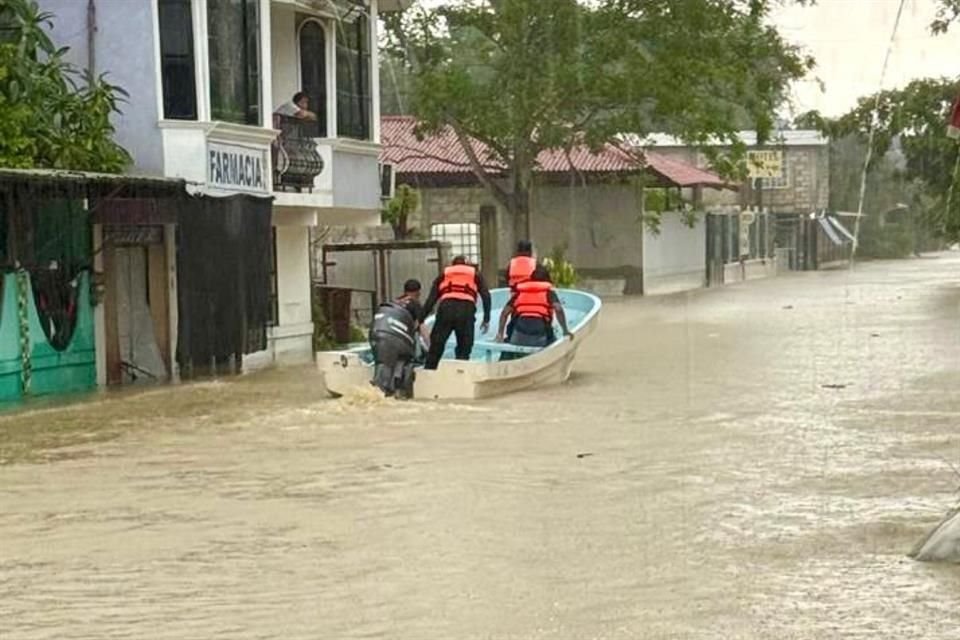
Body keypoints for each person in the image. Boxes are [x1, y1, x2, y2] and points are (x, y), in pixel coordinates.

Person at [420, 255, 492, 369]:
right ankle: (460, 374)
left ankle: (429, 373)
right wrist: (486, 319)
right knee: (464, 348)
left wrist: (420, 318)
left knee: (436, 346)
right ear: (467, 265)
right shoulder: (475, 274)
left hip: (446, 309)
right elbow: (486, 296)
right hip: (466, 310)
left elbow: (431, 300)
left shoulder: (445, 274)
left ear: (452, 265)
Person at [368, 279, 431, 398]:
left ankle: (381, 387)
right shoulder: (414, 303)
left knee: (384, 362)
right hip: (398, 341)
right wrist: (431, 347)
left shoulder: (394, 302)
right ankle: (399, 387)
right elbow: (422, 328)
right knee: (414, 355)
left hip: (378, 334)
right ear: (418, 293)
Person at [495, 265, 571, 359]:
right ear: (547, 280)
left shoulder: (520, 292)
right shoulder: (548, 293)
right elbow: (558, 309)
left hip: (518, 337)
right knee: (554, 343)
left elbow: (504, 313)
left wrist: (500, 334)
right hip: (539, 337)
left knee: (508, 343)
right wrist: (565, 330)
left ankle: (503, 364)